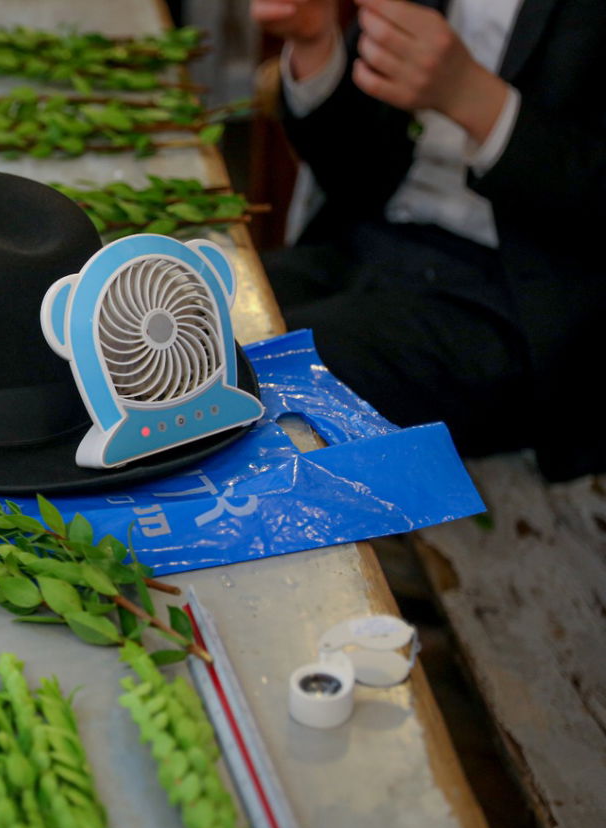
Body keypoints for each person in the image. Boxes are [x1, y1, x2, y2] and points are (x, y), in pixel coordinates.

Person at [252, 0, 605, 481]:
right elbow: (348, 174)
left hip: (522, 299)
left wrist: (475, 98)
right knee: (194, 315)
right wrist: (317, 44)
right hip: (372, 241)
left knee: (257, 374)